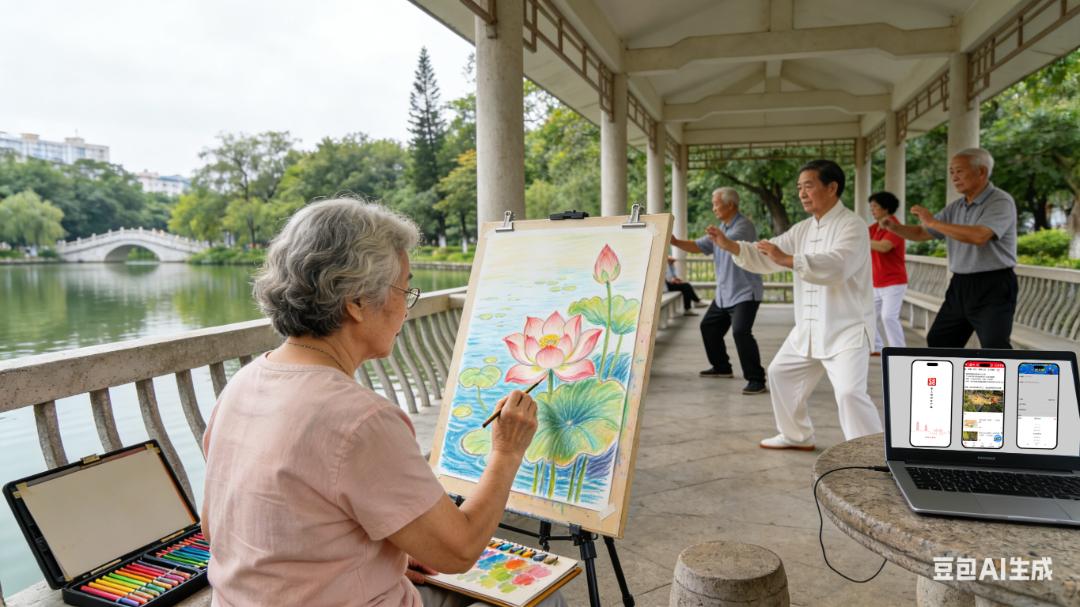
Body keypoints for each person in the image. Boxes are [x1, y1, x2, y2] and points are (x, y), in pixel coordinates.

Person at [201, 198, 564, 607]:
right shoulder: (360, 420)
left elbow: (217, 528)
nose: (406, 306)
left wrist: (375, 554)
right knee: (545, 600)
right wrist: (507, 450)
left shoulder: (244, 382)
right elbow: (459, 551)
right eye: (404, 288)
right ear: (356, 302)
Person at [707, 160, 883, 449]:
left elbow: (838, 265)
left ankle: (869, 452)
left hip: (846, 328)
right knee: (780, 373)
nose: (802, 193)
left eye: (808, 186)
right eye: (799, 188)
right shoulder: (802, 229)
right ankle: (796, 435)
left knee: (850, 393)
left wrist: (788, 259)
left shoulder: (852, 225)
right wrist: (734, 246)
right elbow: (768, 251)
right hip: (809, 328)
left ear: (832, 187)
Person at [882, 148, 1018, 348]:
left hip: (993, 284)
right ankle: (950, 380)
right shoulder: (956, 207)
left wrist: (933, 222)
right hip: (960, 284)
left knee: (994, 347)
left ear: (981, 172)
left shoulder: (1000, 201)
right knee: (940, 340)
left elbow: (980, 235)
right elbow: (922, 233)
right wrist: (895, 228)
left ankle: (1002, 380)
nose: (954, 177)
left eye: (959, 171)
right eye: (951, 172)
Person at [671, 187, 767, 395]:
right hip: (725, 294)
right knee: (709, 327)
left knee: (741, 332)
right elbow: (698, 245)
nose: (713, 208)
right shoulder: (722, 228)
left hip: (744, 292)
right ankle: (722, 367)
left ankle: (756, 379)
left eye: (716, 203)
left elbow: (729, 244)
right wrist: (675, 241)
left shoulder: (744, 226)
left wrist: (718, 238)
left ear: (730, 204)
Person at [867, 191, 908, 354]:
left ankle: (899, 351)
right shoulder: (874, 228)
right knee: (867, 316)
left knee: (888, 317)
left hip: (894, 281)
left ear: (886, 208)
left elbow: (884, 247)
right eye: (871, 207)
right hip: (876, 281)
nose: (872, 210)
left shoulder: (896, 227)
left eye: (875, 206)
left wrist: (861, 239)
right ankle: (877, 347)